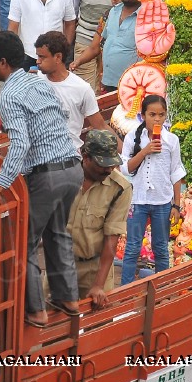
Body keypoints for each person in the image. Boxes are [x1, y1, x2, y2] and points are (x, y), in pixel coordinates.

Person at [0, 31, 83, 325]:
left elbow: (22, 144)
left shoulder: (9, 94)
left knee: (24, 241)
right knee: (58, 233)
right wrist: (0, 126)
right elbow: (51, 120)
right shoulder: (38, 82)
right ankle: (69, 299)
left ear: (4, 62)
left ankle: (36, 311)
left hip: (46, 177)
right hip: (72, 169)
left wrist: (0, 184)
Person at [120, 94, 185, 284]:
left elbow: (176, 173)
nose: (157, 119)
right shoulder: (132, 137)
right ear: (143, 115)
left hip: (162, 202)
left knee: (161, 249)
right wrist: (145, 151)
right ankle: (126, 290)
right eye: (152, 114)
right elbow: (126, 168)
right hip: (138, 201)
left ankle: (161, 288)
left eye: (161, 115)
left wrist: (176, 205)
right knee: (132, 248)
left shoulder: (171, 140)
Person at [66, 130, 131, 307]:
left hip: (95, 268)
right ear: (85, 157)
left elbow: (112, 239)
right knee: (51, 326)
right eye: (103, 164)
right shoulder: (65, 175)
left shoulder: (120, 188)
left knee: (98, 326)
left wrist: (98, 285)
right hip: (61, 265)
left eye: (113, 164)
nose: (109, 169)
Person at [34, 31, 107, 151]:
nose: (37, 61)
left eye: (42, 57)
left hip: (68, 158)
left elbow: (100, 126)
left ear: (58, 57)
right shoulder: (36, 80)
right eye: (37, 56)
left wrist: (125, 155)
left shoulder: (82, 89)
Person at [72, 0, 141, 92]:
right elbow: (96, 46)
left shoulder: (147, 16)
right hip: (108, 81)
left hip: (132, 85)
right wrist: (78, 61)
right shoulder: (112, 12)